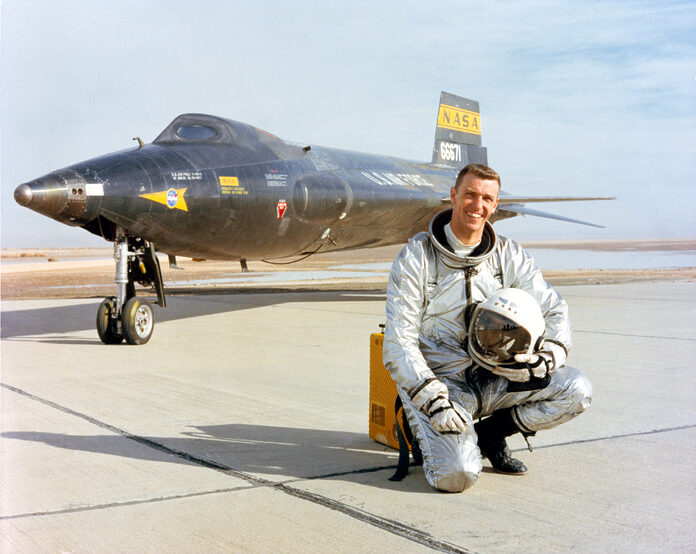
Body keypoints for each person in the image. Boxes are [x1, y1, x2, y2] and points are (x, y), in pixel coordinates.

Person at [383, 163, 592, 493]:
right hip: (443, 385)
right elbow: (398, 341)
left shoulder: (509, 256)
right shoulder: (417, 257)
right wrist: (431, 399)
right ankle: (421, 426)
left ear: (495, 205)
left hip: (497, 378)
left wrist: (546, 358)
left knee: (576, 389)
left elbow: (553, 308)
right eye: (469, 194)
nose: (476, 205)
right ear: (453, 195)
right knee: (457, 476)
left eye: (486, 198)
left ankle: (490, 436)